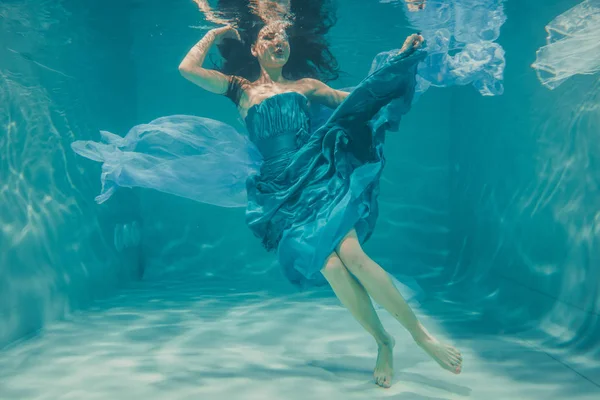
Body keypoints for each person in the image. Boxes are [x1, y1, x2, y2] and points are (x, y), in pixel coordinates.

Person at [71, 0, 461, 389]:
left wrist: (399, 61)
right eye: (269, 36)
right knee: (331, 268)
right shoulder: (240, 90)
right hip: (279, 191)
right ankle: (383, 341)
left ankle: (420, 336)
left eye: (283, 37)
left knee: (354, 256)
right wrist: (215, 32)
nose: (279, 40)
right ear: (255, 49)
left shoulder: (307, 87)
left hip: (317, 175)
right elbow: (186, 70)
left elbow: (359, 98)